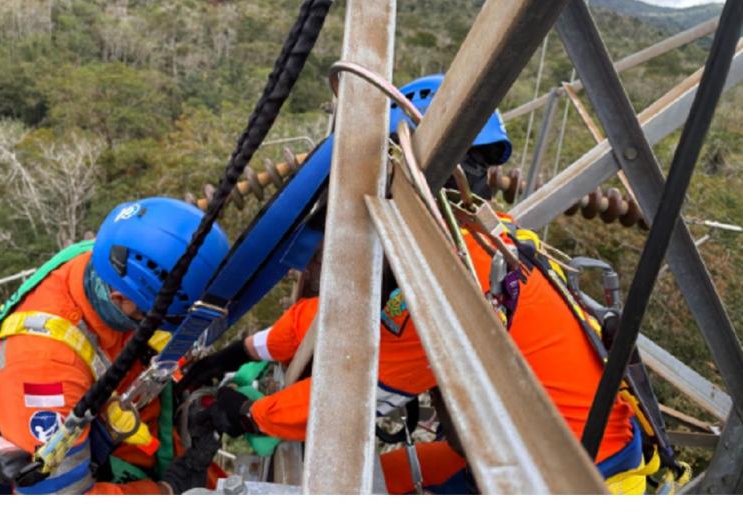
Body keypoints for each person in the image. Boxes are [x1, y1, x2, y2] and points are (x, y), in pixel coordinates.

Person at [184, 74, 643, 494]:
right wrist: (244, 350)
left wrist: (248, 415)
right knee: (395, 475)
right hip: (555, 441)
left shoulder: (449, 274)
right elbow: (337, 311)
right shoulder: (486, 236)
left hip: (571, 478)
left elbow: (351, 403)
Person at [0, 196, 230, 494]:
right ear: (120, 299)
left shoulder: (110, 263)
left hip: (135, 440)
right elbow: (61, 504)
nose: (168, 326)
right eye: (166, 319)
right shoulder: (42, 366)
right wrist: (166, 490)